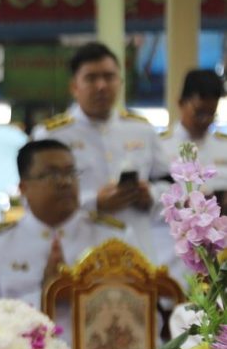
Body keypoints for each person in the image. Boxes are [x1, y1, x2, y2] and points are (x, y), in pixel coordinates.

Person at [32, 41, 178, 278]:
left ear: (120, 82)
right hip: (77, 256)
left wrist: (150, 195)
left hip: (136, 254)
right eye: (91, 78)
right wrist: (95, 203)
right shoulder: (52, 136)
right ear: (74, 86)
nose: (101, 86)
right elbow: (37, 202)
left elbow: (171, 187)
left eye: (109, 77)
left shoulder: (142, 130)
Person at [0, 138, 122, 306]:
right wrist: (45, 296)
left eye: (71, 172)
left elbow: (135, 306)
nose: (65, 182)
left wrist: (80, 293)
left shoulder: (114, 239)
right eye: (52, 175)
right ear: (23, 188)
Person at [159, 69, 227, 174]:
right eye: (200, 113)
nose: (206, 120)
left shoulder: (224, 145)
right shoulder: (161, 145)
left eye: (211, 113)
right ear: (181, 103)